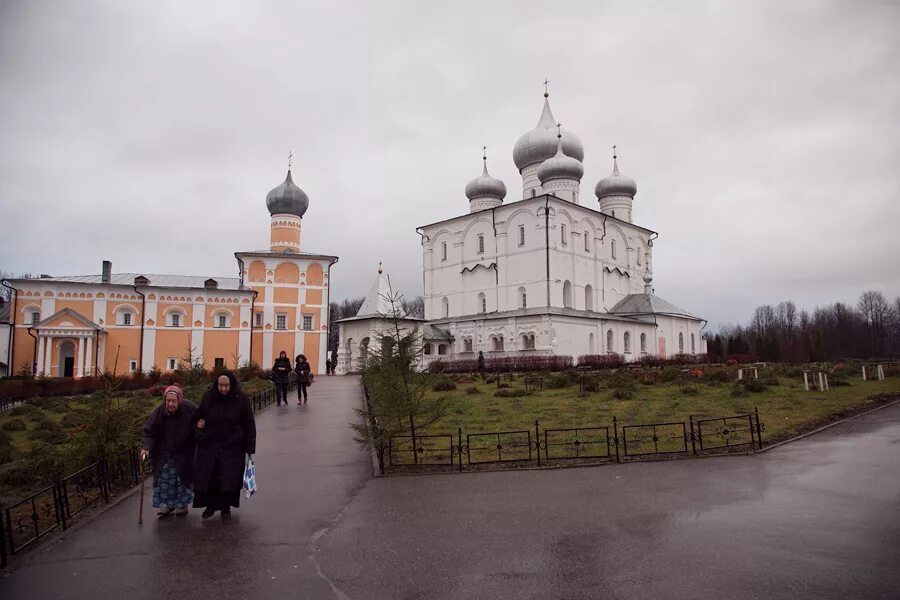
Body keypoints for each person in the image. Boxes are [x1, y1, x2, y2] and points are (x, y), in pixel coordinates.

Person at [193, 371, 257, 519]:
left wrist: (249, 447)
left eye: (226, 385)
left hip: (232, 445)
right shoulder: (209, 396)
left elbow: (249, 423)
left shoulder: (241, 398)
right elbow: (199, 416)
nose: (223, 389)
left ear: (232, 384)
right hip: (211, 444)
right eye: (220, 385)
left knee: (229, 479)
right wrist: (199, 430)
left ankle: (225, 507)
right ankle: (210, 505)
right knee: (211, 477)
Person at [140, 385, 198, 517]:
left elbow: (201, 418)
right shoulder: (159, 412)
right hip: (163, 452)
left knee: (180, 479)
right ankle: (166, 506)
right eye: (168, 401)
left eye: (174, 401)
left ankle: (182, 505)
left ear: (179, 400)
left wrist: (200, 426)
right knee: (163, 479)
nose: (170, 404)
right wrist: (146, 447)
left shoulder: (189, 408)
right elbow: (148, 432)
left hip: (183, 451)